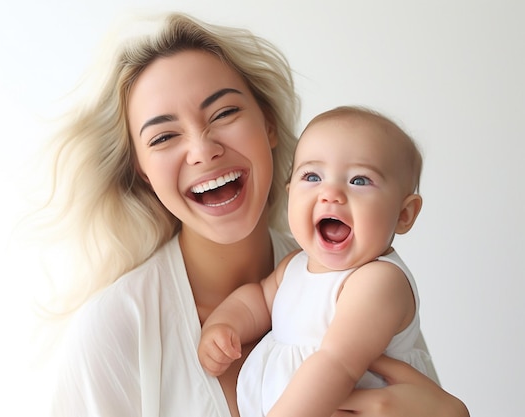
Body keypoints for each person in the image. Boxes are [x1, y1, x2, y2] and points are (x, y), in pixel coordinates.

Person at [38, 11, 469, 417]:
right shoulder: (117, 329)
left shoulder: (354, 275)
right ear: (143, 172)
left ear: (268, 125)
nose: (203, 150)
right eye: (164, 136)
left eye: (224, 113)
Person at [198, 105, 433, 417]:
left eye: (360, 181)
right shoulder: (295, 265)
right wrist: (223, 325)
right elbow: (258, 299)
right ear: (291, 193)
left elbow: (336, 363)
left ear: (404, 215)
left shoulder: (378, 282)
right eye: (312, 176)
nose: (330, 193)